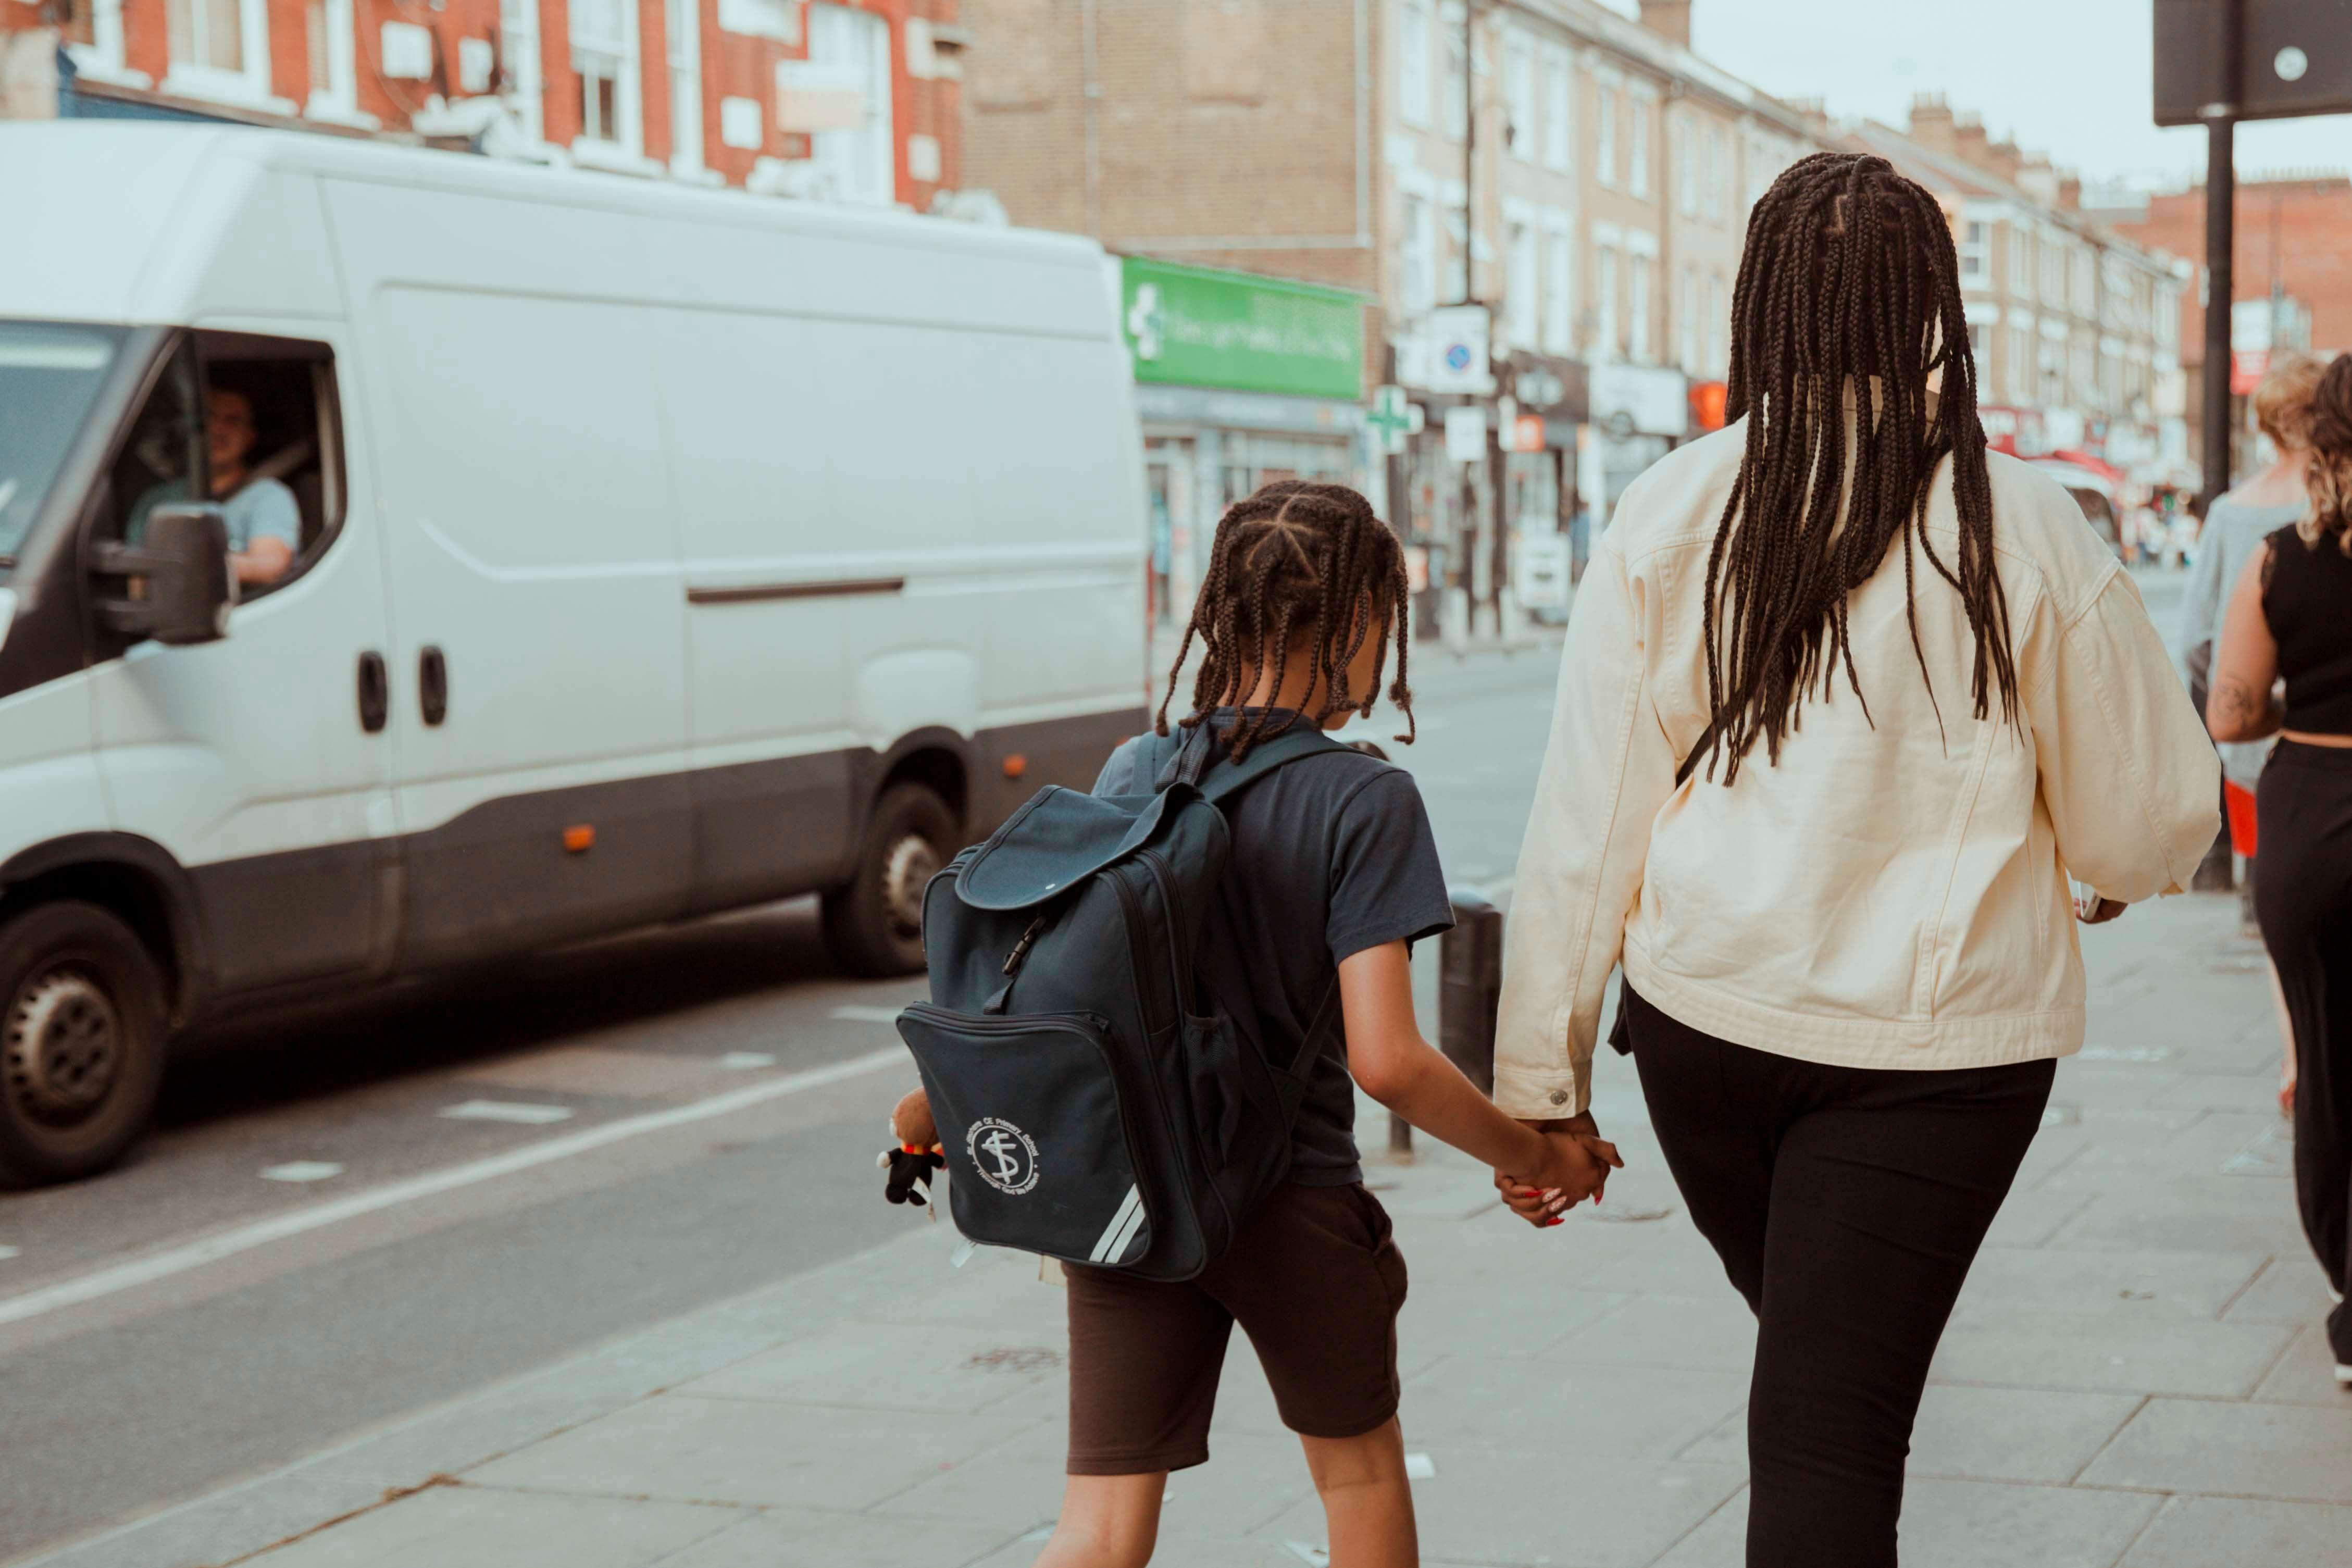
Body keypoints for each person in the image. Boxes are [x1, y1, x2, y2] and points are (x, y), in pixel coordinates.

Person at [1489, 153, 2219, 1568]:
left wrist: (1541, 1092)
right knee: (1830, 1424)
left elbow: (1585, 826)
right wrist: (2109, 862)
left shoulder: (1671, 510)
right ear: (1925, 312)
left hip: (1704, 1025)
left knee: (1820, 1387)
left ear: (1761, 302)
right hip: (1938, 1059)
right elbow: (2148, 807)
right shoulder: (2024, 526)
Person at [1039, 481, 1616, 1568]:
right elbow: (1387, 1059)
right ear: (1355, 624)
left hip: (1133, 1194)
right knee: (1354, 1473)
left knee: (1099, 1523)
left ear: (1224, 617)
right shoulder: (1362, 799)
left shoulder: (1136, 768)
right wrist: (1532, 1150)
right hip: (1287, 1198)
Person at [2206, 350, 2352, 1390]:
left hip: (2313, 817)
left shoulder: (2275, 559)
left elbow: (2229, 710)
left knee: (2329, 1067)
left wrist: (2289, 706)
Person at [2174, 353, 2328, 1111]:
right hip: (2324, 735)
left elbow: (2197, 637)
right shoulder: (2330, 510)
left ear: (2266, 423)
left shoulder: (2235, 511)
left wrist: (2218, 719)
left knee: (2280, 908)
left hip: (2252, 754)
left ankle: (2295, 1050)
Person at [131, 383, 300, 587]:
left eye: (233, 421)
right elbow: (136, 576)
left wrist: (184, 565)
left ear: (249, 437)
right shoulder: (157, 499)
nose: (218, 429)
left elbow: (270, 567)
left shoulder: (269, 496)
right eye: (208, 417)